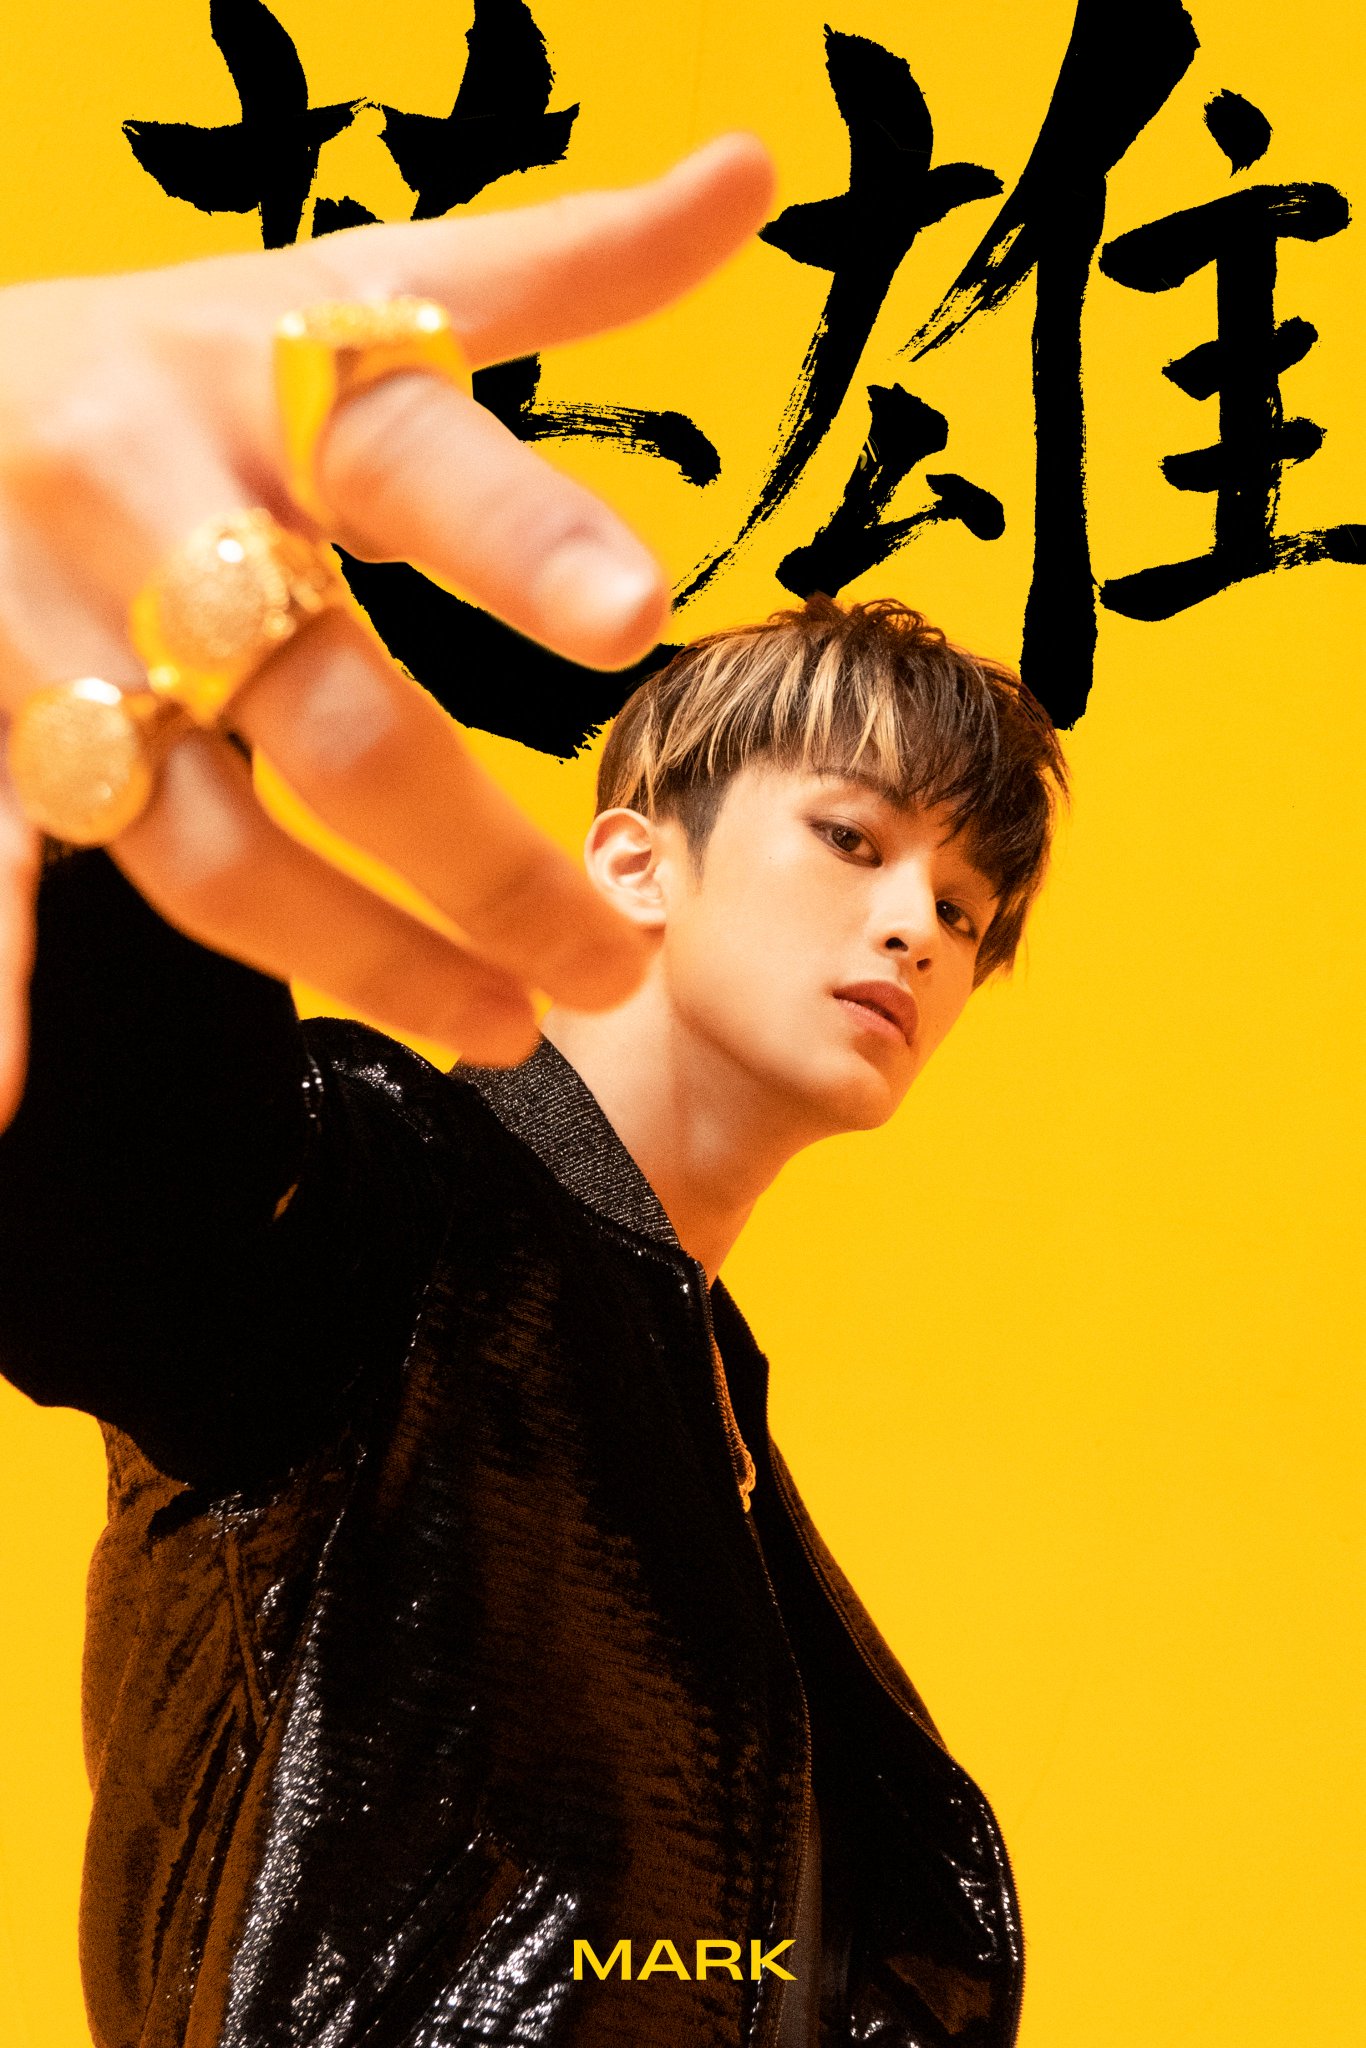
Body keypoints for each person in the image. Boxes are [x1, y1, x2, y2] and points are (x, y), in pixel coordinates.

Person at [0, 137, 1066, 2048]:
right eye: (850, 838)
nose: (918, 922)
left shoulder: (713, 1420)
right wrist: (47, 624)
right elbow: (118, 1186)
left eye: (967, 905)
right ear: (636, 859)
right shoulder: (374, 1218)